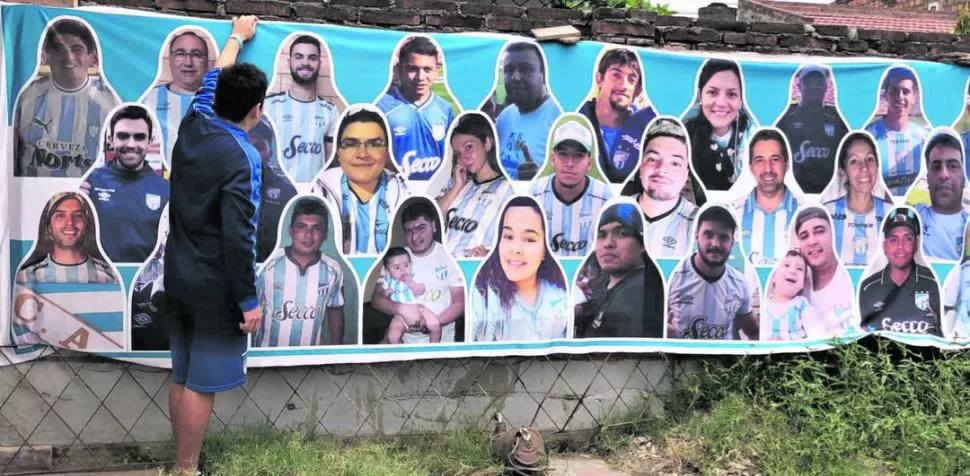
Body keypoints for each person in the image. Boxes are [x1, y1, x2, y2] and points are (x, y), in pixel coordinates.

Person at [162, 16, 264, 476]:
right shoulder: (242, 157)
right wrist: (248, 300)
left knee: (182, 374)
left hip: (179, 275)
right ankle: (186, 471)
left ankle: (183, 465)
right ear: (256, 111)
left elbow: (211, 79)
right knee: (200, 383)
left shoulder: (196, 121)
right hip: (213, 285)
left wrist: (235, 38)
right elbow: (238, 235)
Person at [12, 192, 124, 350]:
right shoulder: (27, 277)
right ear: (49, 227)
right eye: (60, 216)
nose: (69, 223)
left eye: (77, 215)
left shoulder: (112, 276)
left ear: (86, 224)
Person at [14, 17, 119, 178]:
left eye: (77, 49)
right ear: (46, 55)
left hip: (86, 198)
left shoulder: (111, 102)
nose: (68, 57)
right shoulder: (25, 96)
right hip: (32, 197)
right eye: (58, 49)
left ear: (92, 57)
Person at [311, 105, 410, 255]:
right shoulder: (317, 190)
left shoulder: (405, 191)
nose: (362, 154)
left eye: (374, 144)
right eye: (351, 144)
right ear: (338, 151)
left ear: (386, 152)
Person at [470, 196, 569, 341]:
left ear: (545, 249)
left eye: (529, 239)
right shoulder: (482, 294)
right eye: (508, 236)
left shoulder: (560, 295)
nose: (516, 249)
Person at [80, 105, 170, 263]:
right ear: (110, 140)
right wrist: (72, 198)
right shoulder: (89, 183)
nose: (131, 144)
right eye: (123, 136)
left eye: (139, 137)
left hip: (144, 280)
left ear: (150, 141)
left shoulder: (166, 190)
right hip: (103, 279)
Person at [371, 199, 465, 343]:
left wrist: (430, 324)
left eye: (421, 228)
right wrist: (400, 308)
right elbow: (377, 299)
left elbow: (459, 304)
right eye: (409, 231)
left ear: (434, 226)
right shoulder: (397, 259)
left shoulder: (449, 256)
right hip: (405, 341)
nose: (414, 237)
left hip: (441, 341)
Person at [254, 197, 346, 347]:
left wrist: (337, 354)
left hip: (309, 358)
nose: (308, 235)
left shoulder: (333, 269)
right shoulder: (268, 264)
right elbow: (251, 309)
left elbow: (335, 310)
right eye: (301, 227)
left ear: (325, 234)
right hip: (267, 356)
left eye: (316, 228)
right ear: (291, 230)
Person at [666, 205, 758, 340]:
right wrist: (664, 335)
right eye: (708, 234)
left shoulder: (740, 283)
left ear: (732, 242)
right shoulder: (672, 277)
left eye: (723, 237)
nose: (715, 243)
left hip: (721, 360)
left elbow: (752, 331)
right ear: (697, 236)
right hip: (680, 361)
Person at [573, 203, 664, 338]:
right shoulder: (602, 283)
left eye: (622, 233)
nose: (608, 243)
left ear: (643, 244)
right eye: (601, 235)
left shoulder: (639, 290)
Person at [530, 117, 613, 258]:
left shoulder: (607, 199)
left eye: (578, 155)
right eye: (563, 154)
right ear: (552, 159)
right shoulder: (534, 194)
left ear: (590, 163)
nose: (569, 163)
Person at [435, 112, 515, 258]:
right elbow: (433, 219)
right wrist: (458, 187)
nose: (464, 157)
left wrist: (492, 255)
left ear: (487, 143)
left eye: (469, 147)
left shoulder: (509, 188)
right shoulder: (456, 183)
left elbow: (519, 235)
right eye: (458, 153)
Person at [376, 35, 456, 181]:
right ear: (398, 69)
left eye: (427, 69)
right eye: (412, 69)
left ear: (436, 70)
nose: (420, 77)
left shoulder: (445, 109)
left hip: (434, 192)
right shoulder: (381, 107)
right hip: (394, 191)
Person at [264, 34, 339, 182]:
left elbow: (331, 164)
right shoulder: (268, 106)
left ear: (319, 62)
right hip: (276, 192)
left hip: (313, 194)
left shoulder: (330, 111)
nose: (305, 63)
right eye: (299, 57)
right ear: (289, 61)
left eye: (312, 58)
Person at [624, 117, 700, 259]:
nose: (662, 169)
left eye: (675, 163)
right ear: (640, 167)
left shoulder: (700, 224)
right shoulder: (610, 212)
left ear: (686, 175)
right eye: (652, 159)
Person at [578, 47, 656, 183]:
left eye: (632, 79)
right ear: (599, 78)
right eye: (616, 75)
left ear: (638, 90)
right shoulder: (576, 119)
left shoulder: (646, 129)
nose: (624, 85)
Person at [858, 208, 942, 336]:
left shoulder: (934, 283)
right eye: (893, 239)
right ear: (884, 247)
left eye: (908, 239)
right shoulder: (868, 287)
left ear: (916, 244)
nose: (900, 246)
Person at [491, 41, 563, 181]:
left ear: (543, 73)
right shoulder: (505, 117)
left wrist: (540, 180)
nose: (515, 77)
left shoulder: (559, 116)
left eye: (526, 69)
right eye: (508, 70)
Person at [730, 128, 803, 267]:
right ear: (751, 167)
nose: (768, 169)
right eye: (760, 160)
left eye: (775, 159)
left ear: (786, 165)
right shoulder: (731, 213)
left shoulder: (806, 212)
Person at [141, 27, 214, 162]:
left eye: (196, 54)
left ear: (207, 61)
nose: (188, 63)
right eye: (180, 54)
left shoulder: (220, 102)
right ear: (170, 59)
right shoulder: (147, 99)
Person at [774, 65, 850, 195]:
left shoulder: (837, 117)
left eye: (818, 83)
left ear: (826, 87)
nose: (813, 87)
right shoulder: (786, 116)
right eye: (808, 83)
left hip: (828, 190)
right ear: (799, 86)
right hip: (794, 190)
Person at [682, 59, 756, 192]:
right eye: (713, 93)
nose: (721, 103)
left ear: (741, 99)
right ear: (700, 95)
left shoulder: (753, 136)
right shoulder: (684, 135)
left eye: (731, 94)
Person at [823, 132, 892, 268]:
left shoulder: (890, 214)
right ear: (843, 171)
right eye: (854, 161)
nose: (864, 168)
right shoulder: (827, 214)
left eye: (870, 159)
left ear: (877, 166)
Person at [864, 66, 930, 196]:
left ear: (914, 97)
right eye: (894, 91)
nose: (900, 97)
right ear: (886, 95)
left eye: (905, 91)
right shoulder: (869, 136)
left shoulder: (923, 137)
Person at [792, 207, 857, 337]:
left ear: (834, 235)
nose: (812, 241)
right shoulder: (797, 284)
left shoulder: (854, 276)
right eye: (804, 236)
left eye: (820, 231)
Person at [911, 131, 968, 261]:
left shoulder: (968, 225)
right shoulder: (913, 218)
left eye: (952, 166)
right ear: (927, 178)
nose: (944, 174)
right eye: (936, 167)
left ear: (964, 178)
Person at [251, 117, 298, 263]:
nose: (252, 153)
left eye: (259, 146)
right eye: (245, 145)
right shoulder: (222, 190)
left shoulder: (289, 194)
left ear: (270, 152)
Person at [380, 247, 441, 344]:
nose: (403, 270)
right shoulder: (388, 281)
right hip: (399, 316)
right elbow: (383, 297)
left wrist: (410, 283)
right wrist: (386, 292)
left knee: (435, 325)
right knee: (392, 337)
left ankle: (434, 347)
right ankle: (402, 354)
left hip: (419, 309)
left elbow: (421, 290)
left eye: (406, 265)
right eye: (397, 268)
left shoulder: (413, 276)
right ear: (387, 271)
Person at [762, 249, 817, 341]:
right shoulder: (764, 305)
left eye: (799, 269)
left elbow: (815, 330)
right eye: (786, 265)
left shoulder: (801, 304)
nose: (792, 271)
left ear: (803, 284)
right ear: (773, 277)